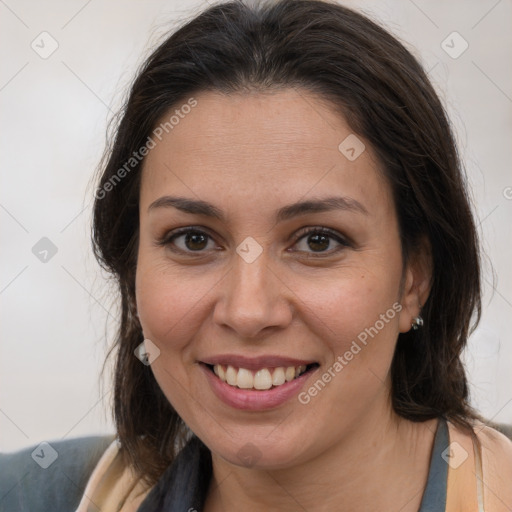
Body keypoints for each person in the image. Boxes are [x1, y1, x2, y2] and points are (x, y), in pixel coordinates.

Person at [1, 0, 511, 510]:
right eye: (193, 239)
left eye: (318, 241)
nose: (248, 312)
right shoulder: (32, 496)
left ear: (413, 280)